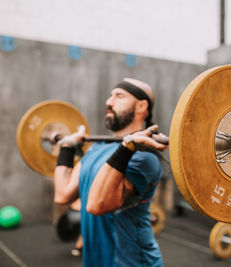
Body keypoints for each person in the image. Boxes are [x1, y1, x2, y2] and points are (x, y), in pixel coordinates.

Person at [53, 78, 167, 266]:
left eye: (119, 96)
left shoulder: (144, 157)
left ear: (141, 106)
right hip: (95, 260)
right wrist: (66, 148)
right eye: (110, 95)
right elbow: (62, 194)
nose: (109, 102)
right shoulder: (96, 149)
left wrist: (126, 148)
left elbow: (96, 206)